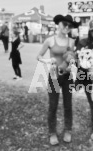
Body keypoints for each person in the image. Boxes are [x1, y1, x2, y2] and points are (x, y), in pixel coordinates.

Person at [37, 14, 78, 145]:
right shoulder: (49, 40)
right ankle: (52, 133)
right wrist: (49, 60)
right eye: (64, 24)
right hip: (54, 76)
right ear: (58, 24)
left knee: (68, 105)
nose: (67, 27)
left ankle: (68, 130)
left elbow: (74, 59)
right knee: (53, 105)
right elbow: (38, 56)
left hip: (67, 77)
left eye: (69, 26)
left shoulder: (72, 42)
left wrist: (72, 63)